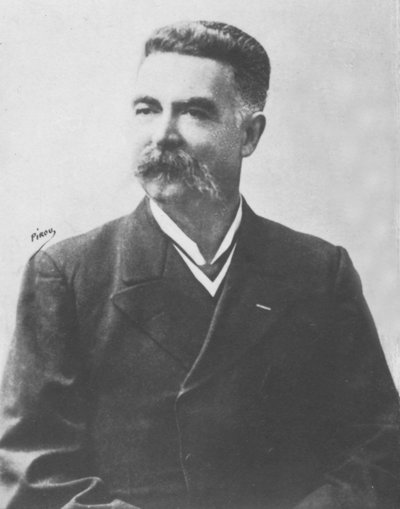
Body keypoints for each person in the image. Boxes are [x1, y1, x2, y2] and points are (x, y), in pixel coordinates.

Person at [0, 20, 399, 509]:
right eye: (147, 109)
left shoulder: (319, 273)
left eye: (194, 112)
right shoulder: (67, 275)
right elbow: (33, 473)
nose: (163, 134)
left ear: (249, 134)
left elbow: (379, 453)